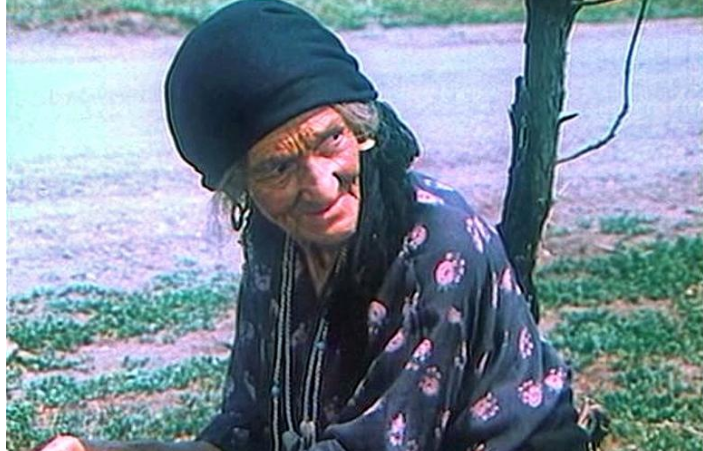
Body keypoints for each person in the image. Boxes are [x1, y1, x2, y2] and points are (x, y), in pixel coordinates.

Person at [39, 1, 591, 451]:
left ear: (359, 126)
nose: (322, 187)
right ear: (241, 187)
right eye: (278, 168)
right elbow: (245, 430)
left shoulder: (435, 246)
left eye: (331, 140)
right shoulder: (275, 243)